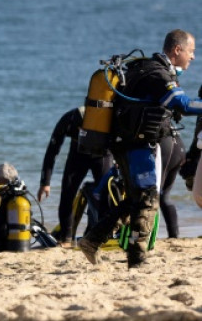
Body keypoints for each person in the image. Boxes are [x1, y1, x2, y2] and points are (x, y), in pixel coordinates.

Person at [79, 29, 202, 268]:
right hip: (136, 146)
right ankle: (137, 257)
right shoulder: (157, 75)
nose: (193, 57)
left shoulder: (146, 68)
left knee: (137, 198)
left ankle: (92, 241)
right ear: (177, 50)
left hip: (125, 143)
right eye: (192, 51)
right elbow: (182, 104)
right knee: (147, 198)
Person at [36, 107, 112, 244]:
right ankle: (66, 237)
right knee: (67, 195)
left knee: (106, 196)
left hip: (102, 154)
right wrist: (45, 183)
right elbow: (52, 150)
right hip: (78, 155)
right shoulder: (70, 118)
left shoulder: (107, 119)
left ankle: (100, 235)